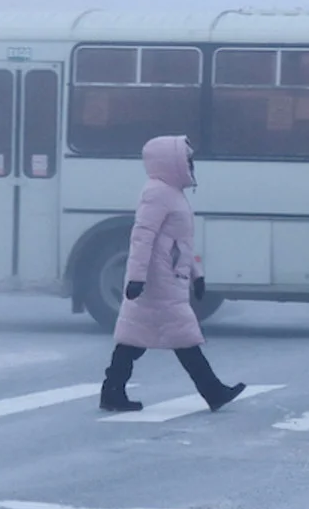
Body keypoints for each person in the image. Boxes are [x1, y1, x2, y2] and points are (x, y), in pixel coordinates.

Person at [99, 134, 246, 414]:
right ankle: (213, 391)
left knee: (135, 338)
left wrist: (196, 274)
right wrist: (136, 278)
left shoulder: (170, 192)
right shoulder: (157, 193)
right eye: (187, 159)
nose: (191, 164)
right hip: (158, 281)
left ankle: (112, 391)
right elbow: (142, 237)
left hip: (165, 278)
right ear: (171, 161)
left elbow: (179, 243)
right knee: (183, 337)